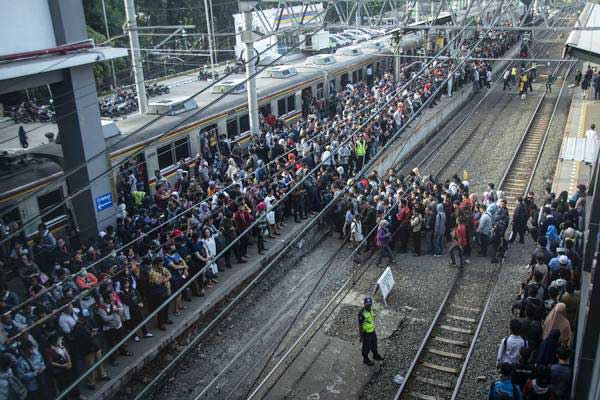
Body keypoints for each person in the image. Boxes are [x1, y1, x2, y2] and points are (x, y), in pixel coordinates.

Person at [357, 297, 383, 366]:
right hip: (366, 333)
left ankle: (375, 355)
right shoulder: (362, 313)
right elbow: (360, 325)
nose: (368, 306)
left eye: (370, 304)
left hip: (372, 331)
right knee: (366, 347)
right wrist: (361, 336)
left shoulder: (370, 310)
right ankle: (366, 359)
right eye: (367, 305)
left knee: (374, 343)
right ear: (364, 304)